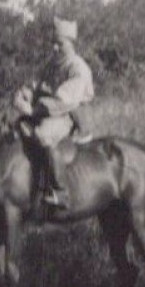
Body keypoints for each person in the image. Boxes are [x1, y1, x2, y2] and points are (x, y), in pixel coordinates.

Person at [17, 17, 95, 212]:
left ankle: (61, 192)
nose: (54, 48)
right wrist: (26, 92)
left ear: (70, 44)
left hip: (70, 114)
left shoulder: (78, 68)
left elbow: (65, 100)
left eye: (59, 44)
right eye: (53, 43)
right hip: (50, 111)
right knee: (19, 126)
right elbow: (38, 84)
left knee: (44, 135)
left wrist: (33, 109)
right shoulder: (53, 63)